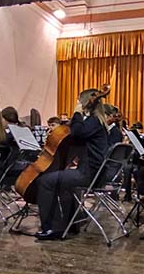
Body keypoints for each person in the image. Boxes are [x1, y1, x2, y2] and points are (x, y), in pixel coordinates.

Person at [35, 89, 109, 240]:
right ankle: (71, 223)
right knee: (63, 185)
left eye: (79, 101)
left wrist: (76, 113)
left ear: (85, 103)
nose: (77, 104)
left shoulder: (93, 121)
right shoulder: (96, 122)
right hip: (94, 173)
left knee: (45, 181)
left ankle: (51, 228)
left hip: (88, 174)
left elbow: (76, 132)